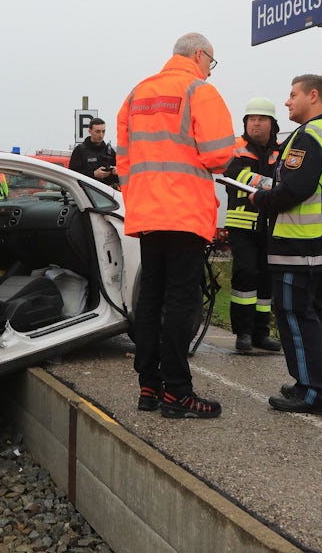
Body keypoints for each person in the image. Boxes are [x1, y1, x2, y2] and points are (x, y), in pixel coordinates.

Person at [116, 32, 235, 419]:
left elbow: (124, 160)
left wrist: (139, 197)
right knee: (182, 300)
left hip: (147, 214)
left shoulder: (137, 94)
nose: (210, 71)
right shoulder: (198, 91)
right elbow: (219, 155)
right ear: (199, 55)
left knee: (150, 299)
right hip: (184, 213)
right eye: (211, 63)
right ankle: (178, 393)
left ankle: (149, 387)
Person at [251, 74, 322, 415]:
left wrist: (260, 198)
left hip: (301, 243)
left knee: (295, 314)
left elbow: (293, 190)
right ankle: (311, 381)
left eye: (293, 94)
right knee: (315, 314)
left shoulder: (309, 135)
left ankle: (313, 391)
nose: (287, 101)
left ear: (313, 96)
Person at [223, 97, 282, 353]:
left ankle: (261, 333)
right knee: (246, 274)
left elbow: (288, 177)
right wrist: (271, 185)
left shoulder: (281, 149)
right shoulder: (235, 147)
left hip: (271, 225)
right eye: (251, 120)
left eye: (261, 119)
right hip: (242, 224)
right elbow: (234, 174)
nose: (255, 124)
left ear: (272, 123)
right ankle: (243, 334)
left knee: (267, 279)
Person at [69, 117, 119, 188]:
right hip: (87, 193)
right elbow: (72, 174)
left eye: (103, 131)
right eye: (98, 132)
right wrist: (93, 174)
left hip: (107, 193)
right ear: (90, 131)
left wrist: (116, 172)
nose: (101, 135)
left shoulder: (110, 151)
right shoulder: (80, 150)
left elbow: (122, 175)